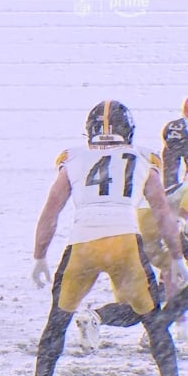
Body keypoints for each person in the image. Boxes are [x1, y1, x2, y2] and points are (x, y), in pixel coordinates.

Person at [17, 100, 188, 376]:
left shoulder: (74, 158)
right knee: (154, 324)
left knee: (57, 323)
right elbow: (162, 213)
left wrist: (39, 256)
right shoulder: (142, 157)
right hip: (125, 242)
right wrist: (177, 258)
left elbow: (51, 211)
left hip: (83, 244)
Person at [75, 99, 188, 351]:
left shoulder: (168, 137)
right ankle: (163, 327)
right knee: (175, 283)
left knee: (138, 306)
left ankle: (97, 317)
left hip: (126, 227)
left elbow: (167, 180)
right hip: (163, 223)